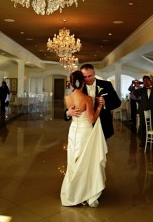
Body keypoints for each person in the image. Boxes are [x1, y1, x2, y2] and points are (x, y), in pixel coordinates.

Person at [60, 70, 107, 207]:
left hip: (73, 131)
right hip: (85, 132)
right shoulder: (87, 99)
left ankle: (74, 192)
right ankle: (86, 193)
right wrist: (99, 107)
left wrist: (69, 113)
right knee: (87, 162)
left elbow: (71, 113)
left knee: (74, 161)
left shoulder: (67, 98)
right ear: (82, 82)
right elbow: (91, 118)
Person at [65, 63, 121, 139]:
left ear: (94, 73)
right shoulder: (78, 88)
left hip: (103, 125)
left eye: (90, 76)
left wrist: (105, 103)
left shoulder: (106, 85)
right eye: (85, 77)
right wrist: (68, 113)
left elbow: (117, 103)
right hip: (85, 128)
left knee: (101, 150)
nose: (88, 79)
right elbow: (71, 106)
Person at [133, 75, 153, 147]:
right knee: (143, 126)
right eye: (144, 81)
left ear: (150, 81)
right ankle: (143, 141)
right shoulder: (142, 89)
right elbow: (135, 93)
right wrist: (137, 86)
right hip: (143, 110)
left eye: (147, 80)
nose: (146, 82)